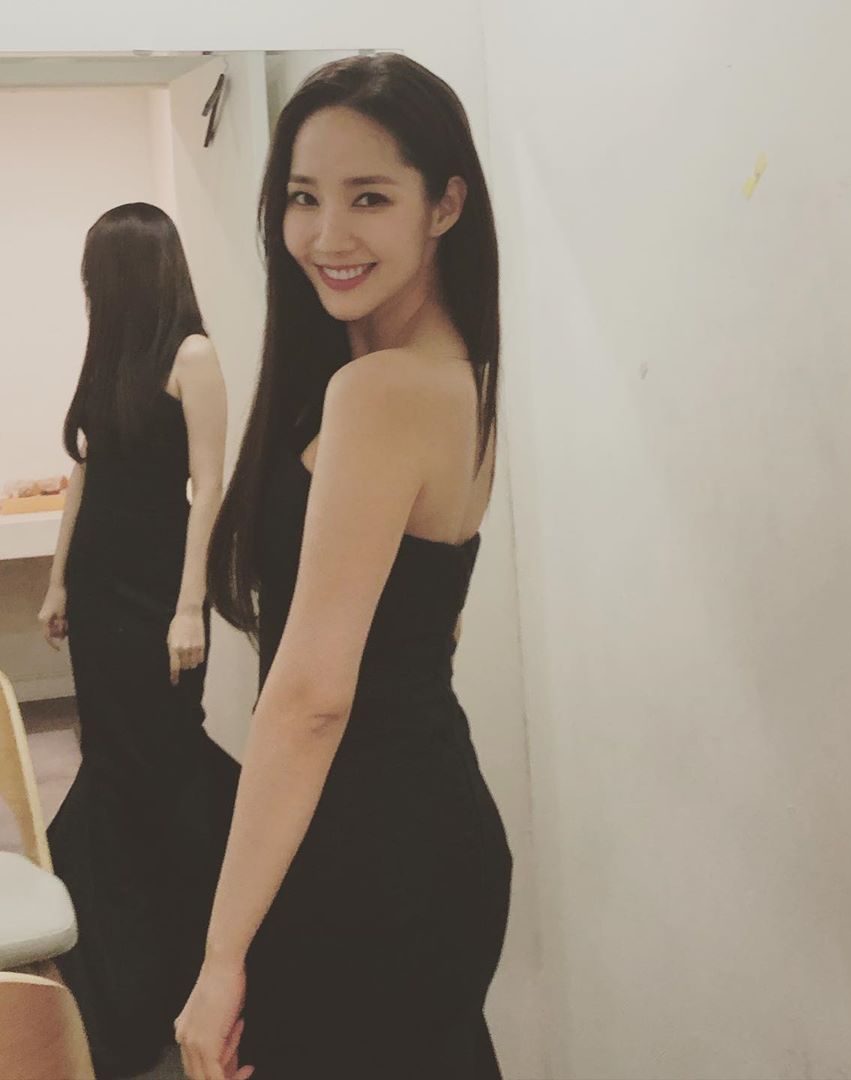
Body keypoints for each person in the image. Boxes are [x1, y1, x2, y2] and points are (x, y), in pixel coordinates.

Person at [174, 53, 513, 1080]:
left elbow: (313, 697)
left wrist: (219, 957)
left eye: (369, 197)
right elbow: (430, 626)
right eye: (302, 198)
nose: (327, 236)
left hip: (365, 844)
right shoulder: (458, 376)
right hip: (423, 818)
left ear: (445, 204)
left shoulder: (380, 393)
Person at [39, 202, 238, 1079]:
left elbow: (209, 484)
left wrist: (191, 604)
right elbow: (85, 472)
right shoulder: (111, 354)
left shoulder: (192, 355)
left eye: (99, 272)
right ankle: (116, 979)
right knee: (117, 765)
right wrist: (57, 580)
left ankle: (191, 955)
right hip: (99, 589)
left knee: (166, 759)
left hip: (159, 593)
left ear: (130, 271)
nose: (92, 287)